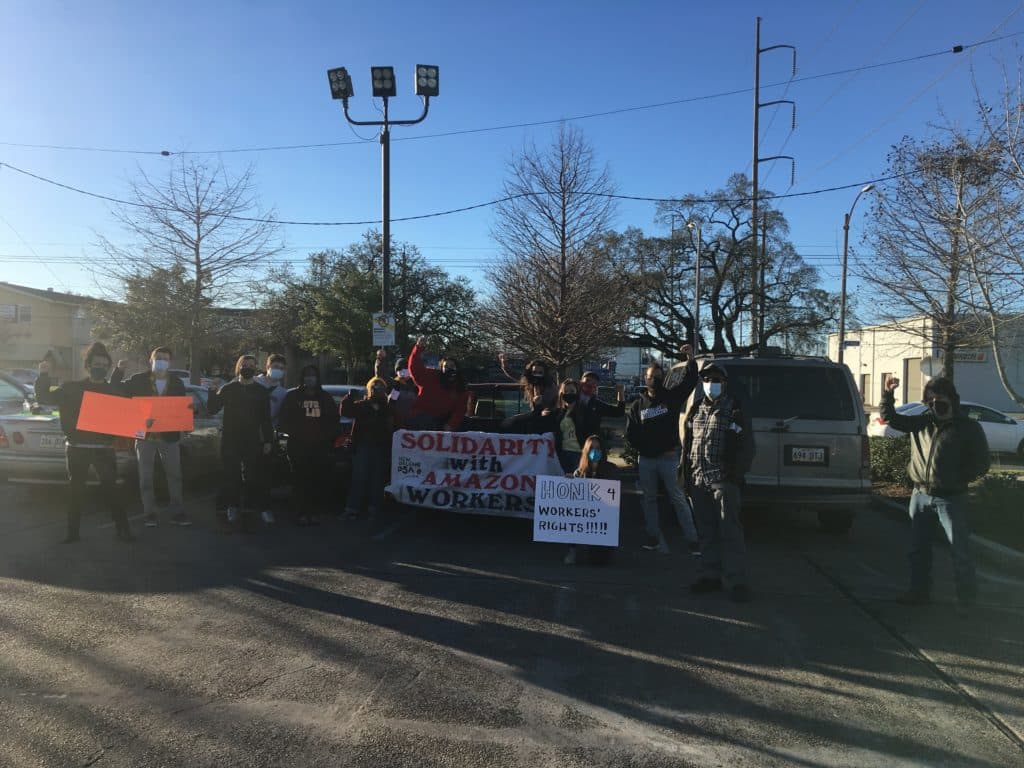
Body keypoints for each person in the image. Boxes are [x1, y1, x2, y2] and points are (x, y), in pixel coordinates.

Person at [880, 375, 989, 608]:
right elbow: (893, 420)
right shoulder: (923, 422)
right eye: (929, 402)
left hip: (951, 498)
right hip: (920, 496)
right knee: (918, 550)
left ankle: (967, 601)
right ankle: (919, 593)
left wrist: (958, 478)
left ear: (952, 400)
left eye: (939, 402)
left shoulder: (968, 428)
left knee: (959, 551)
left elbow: (982, 463)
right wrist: (888, 394)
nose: (934, 407)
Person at [34, 341, 134, 542]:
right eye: (97, 364)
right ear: (88, 366)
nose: (101, 368)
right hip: (76, 449)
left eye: (105, 365)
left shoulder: (113, 391)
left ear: (108, 367)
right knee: (75, 492)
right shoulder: (72, 388)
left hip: (103, 450)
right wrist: (43, 375)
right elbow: (45, 398)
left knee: (112, 490)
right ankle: (72, 534)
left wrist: (143, 422)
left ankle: (123, 530)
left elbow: (130, 415)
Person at [683, 360, 755, 602]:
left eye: (716, 380)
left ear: (724, 383)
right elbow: (688, 443)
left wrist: (734, 475)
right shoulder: (696, 408)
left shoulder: (734, 408)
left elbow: (747, 447)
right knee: (706, 531)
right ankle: (709, 575)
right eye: (706, 379)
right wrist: (686, 476)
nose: (710, 384)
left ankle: (736, 581)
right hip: (698, 479)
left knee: (730, 532)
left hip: (723, 481)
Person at [625, 347, 700, 554]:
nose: (654, 380)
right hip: (647, 460)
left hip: (668, 458)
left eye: (658, 377)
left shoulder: (671, 397)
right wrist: (646, 450)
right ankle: (653, 538)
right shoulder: (637, 406)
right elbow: (631, 433)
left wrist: (690, 358)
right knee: (648, 500)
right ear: (645, 377)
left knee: (677, 498)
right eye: (651, 377)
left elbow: (690, 381)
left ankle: (693, 541)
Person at [119, 346, 191, 528]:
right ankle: (149, 513)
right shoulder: (137, 380)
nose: (161, 361)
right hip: (145, 437)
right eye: (158, 357)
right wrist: (119, 371)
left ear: (169, 362)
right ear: (150, 360)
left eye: (165, 358)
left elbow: (181, 409)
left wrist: (185, 422)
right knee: (145, 478)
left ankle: (178, 512)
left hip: (170, 437)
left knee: (175, 475)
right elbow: (118, 394)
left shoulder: (176, 383)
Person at [207, 354, 274, 530]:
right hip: (231, 439)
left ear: (256, 368)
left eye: (252, 365)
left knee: (254, 476)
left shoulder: (261, 391)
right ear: (239, 367)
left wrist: (268, 440)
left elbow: (266, 419)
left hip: (252, 440)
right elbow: (212, 409)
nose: (248, 367)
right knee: (231, 475)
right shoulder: (228, 388)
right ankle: (233, 506)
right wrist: (211, 391)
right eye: (245, 364)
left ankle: (259, 508)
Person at [278, 365, 338, 526]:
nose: (309, 378)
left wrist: (325, 438)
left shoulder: (325, 398)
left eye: (312, 375)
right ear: (302, 377)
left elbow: (334, 421)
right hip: (297, 446)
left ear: (317, 378)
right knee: (299, 480)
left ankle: (315, 512)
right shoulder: (293, 396)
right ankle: (300, 512)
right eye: (307, 375)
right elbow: (282, 419)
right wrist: (294, 432)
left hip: (319, 447)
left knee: (316, 479)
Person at [341, 376, 395, 520]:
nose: (377, 389)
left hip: (381, 446)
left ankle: (374, 508)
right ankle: (352, 508)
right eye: (374, 387)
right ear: (370, 389)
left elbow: (391, 426)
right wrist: (349, 397)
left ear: (384, 390)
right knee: (359, 477)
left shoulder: (387, 407)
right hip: (362, 446)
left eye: (380, 387)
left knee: (377, 479)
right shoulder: (362, 405)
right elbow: (345, 411)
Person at [564, 434, 620, 566]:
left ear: (603, 451)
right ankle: (572, 550)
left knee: (599, 560)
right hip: (584, 516)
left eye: (598, 448)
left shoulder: (611, 469)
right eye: (591, 448)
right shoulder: (579, 472)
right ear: (586, 451)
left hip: (602, 518)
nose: (595, 451)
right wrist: (569, 482)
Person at [405, 336, 469, 430]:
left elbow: (460, 410)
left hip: (443, 420)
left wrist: (451, 424)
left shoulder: (460, 386)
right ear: (441, 368)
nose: (449, 369)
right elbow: (415, 369)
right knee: (428, 421)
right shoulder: (431, 376)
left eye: (452, 366)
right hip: (422, 417)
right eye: (446, 366)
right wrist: (418, 348)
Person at [577, 370, 625, 441]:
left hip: (590, 444)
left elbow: (619, 412)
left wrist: (620, 393)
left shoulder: (596, 404)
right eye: (587, 380)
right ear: (580, 382)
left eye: (593, 383)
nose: (590, 384)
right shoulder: (572, 400)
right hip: (570, 446)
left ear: (596, 387)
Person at [555, 378, 584, 471]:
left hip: (579, 453)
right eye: (566, 391)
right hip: (563, 453)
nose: (569, 393)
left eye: (572, 391)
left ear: (577, 392)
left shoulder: (584, 411)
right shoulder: (559, 413)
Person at [255, 353, 289, 428]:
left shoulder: (283, 393)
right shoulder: (254, 381)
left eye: (281, 368)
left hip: (270, 430)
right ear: (267, 367)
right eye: (276, 366)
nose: (278, 370)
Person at [388, 358, 418, 427]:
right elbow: (391, 402)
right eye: (400, 369)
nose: (404, 371)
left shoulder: (414, 385)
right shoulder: (394, 384)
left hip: (412, 420)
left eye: (406, 368)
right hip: (397, 421)